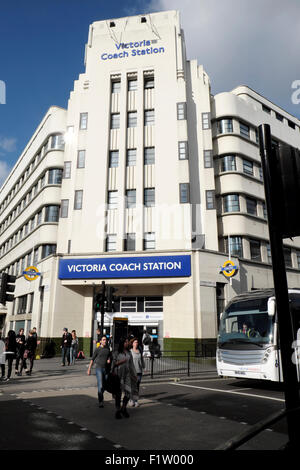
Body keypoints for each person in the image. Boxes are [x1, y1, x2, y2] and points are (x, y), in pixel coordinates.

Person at [112, 337, 137, 419]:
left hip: (127, 374)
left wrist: (134, 375)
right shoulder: (116, 353)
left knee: (128, 392)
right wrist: (120, 362)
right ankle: (117, 411)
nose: (127, 343)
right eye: (125, 342)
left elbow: (131, 364)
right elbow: (113, 364)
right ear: (122, 343)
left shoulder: (129, 352)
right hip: (118, 374)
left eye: (127, 342)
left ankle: (123, 408)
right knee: (118, 394)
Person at [87, 335, 112, 408]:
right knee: (100, 385)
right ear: (100, 341)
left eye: (106, 340)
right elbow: (92, 359)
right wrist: (89, 369)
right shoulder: (97, 349)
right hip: (99, 368)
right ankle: (101, 401)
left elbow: (109, 357)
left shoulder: (108, 349)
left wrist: (109, 360)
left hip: (106, 369)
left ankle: (100, 393)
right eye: (103, 340)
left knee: (105, 385)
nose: (105, 341)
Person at [129, 337, 145, 407]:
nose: (136, 343)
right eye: (135, 342)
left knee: (137, 387)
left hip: (139, 371)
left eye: (137, 342)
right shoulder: (130, 352)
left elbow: (141, 361)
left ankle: (136, 401)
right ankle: (131, 400)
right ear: (132, 344)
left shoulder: (139, 351)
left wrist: (144, 367)